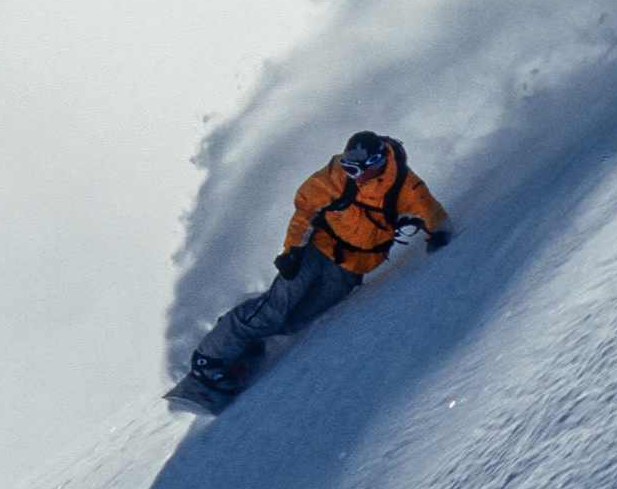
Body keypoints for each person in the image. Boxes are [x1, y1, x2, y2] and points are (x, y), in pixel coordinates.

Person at [186, 128, 451, 402]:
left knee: (294, 321)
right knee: (276, 308)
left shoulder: (404, 186)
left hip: (352, 268)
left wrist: (438, 233)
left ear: (376, 162)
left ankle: (247, 339)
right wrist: (292, 251)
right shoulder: (335, 177)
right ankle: (208, 359)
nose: (352, 175)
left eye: (357, 169)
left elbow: (430, 210)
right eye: (348, 167)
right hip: (317, 250)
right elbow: (305, 210)